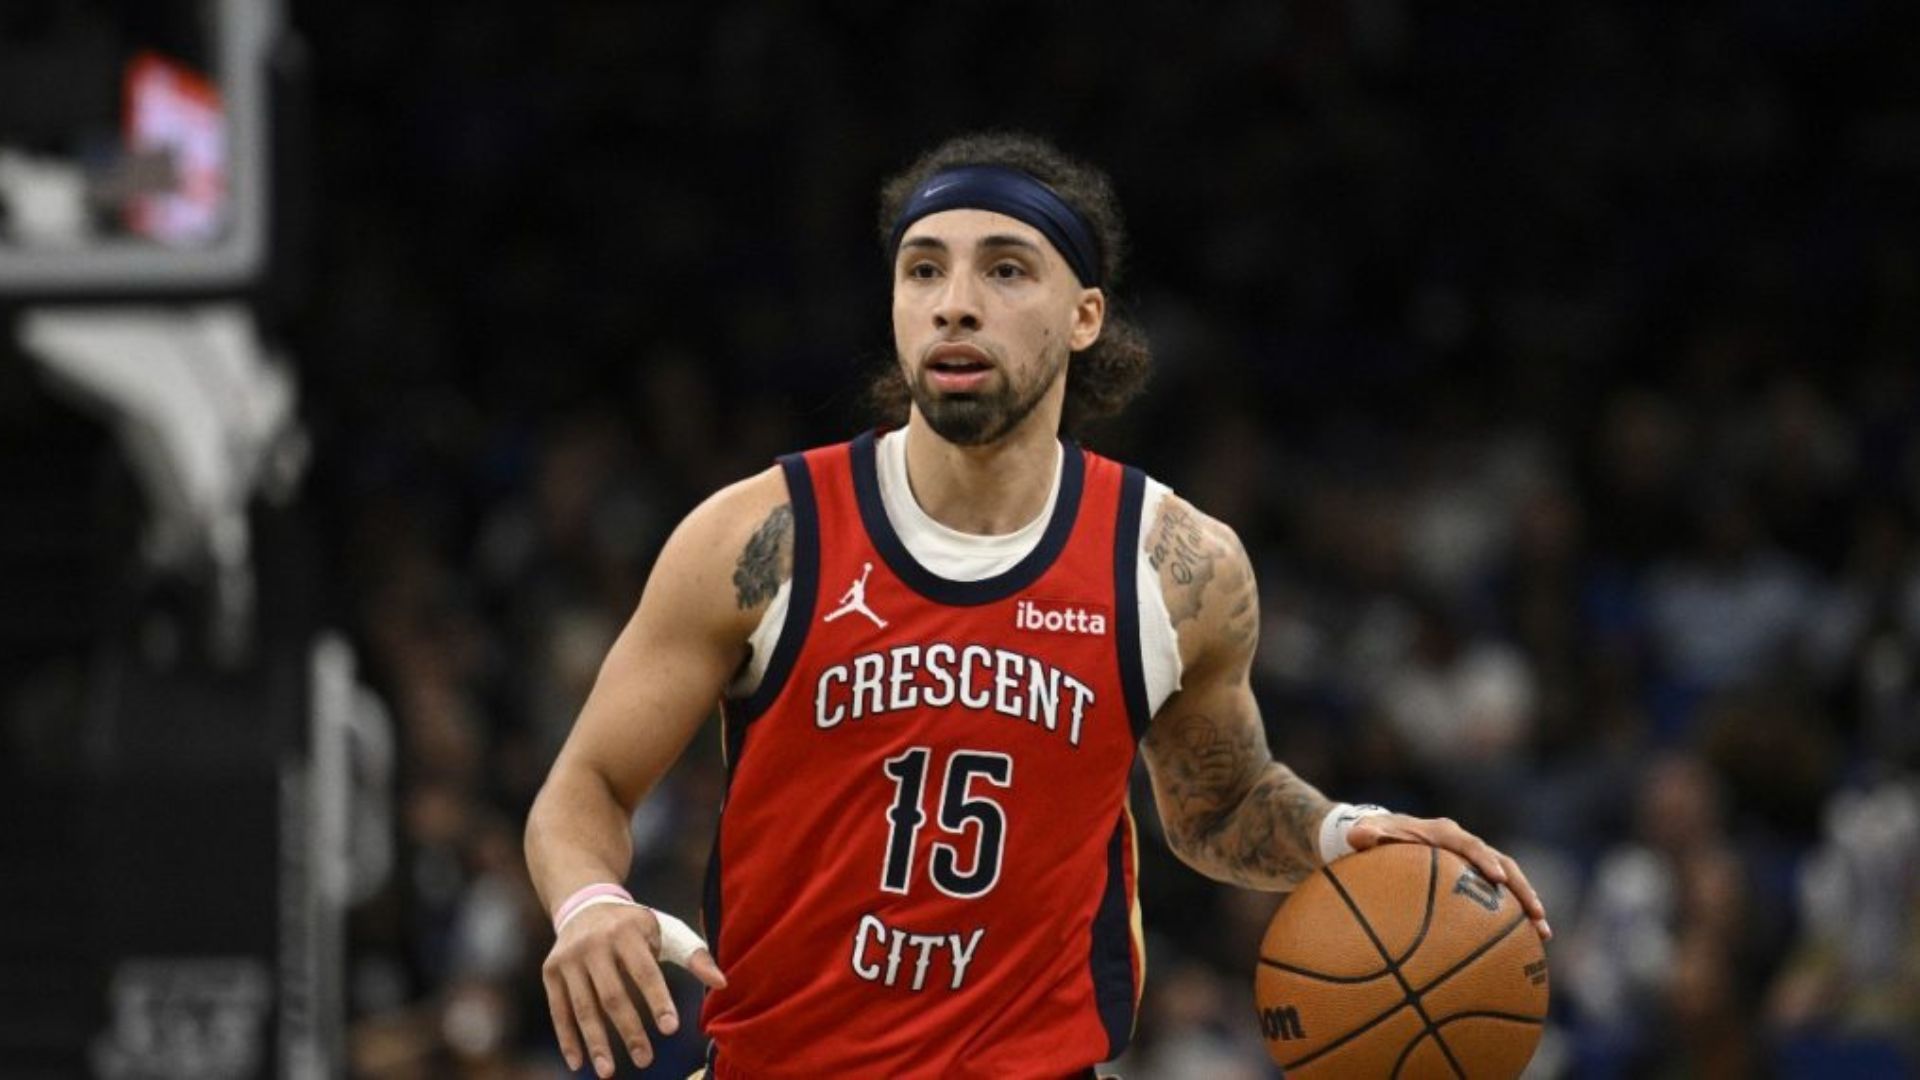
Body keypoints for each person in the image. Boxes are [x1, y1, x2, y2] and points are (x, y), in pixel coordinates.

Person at [524, 132, 1551, 1079]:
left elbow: (1221, 807)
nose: (954, 303)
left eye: (1005, 269)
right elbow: (588, 786)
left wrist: (1345, 833)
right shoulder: (761, 536)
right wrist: (589, 902)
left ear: (1084, 316)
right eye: (923, 270)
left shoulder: (1174, 565)